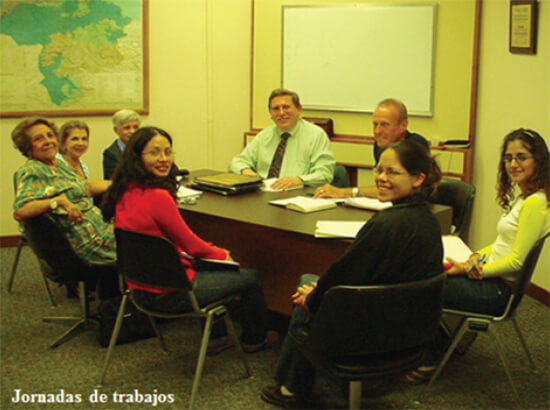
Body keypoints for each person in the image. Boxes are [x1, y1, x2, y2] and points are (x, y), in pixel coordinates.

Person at [260, 139, 444, 407]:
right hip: (412, 332)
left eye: (392, 172)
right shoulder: (427, 219)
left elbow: (342, 277)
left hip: (372, 333)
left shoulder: (385, 224)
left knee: (307, 283)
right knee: (319, 287)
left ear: (418, 179)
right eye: (379, 170)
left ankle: (291, 389)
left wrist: (313, 298)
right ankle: (358, 380)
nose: (381, 178)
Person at [102, 126, 268, 353]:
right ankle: (254, 341)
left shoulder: (124, 190)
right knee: (250, 277)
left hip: (137, 289)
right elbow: (191, 244)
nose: (163, 159)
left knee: (209, 261)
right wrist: (221, 255)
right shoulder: (158, 197)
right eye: (154, 153)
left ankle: (217, 338)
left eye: (168, 152)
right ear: (137, 157)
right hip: (170, 295)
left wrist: (211, 252)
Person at [445, 129, 550, 315]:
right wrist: (476, 256)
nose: (513, 164)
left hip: (498, 292)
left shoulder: (535, 203)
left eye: (521, 157)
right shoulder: (525, 198)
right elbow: (501, 245)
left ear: (538, 161)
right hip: (492, 280)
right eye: (508, 158)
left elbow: (516, 262)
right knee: (429, 280)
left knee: (424, 287)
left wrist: (469, 269)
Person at [12, 117, 115, 265]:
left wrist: (119, 183)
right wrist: (58, 201)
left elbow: (85, 186)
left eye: (50, 135)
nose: (48, 141)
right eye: (38, 139)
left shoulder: (58, 164)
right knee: (145, 246)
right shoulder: (32, 169)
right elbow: (21, 211)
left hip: (102, 231)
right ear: (28, 147)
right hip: (89, 244)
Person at [314, 98, 429, 199]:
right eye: (375, 124)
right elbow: (382, 187)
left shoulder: (415, 145)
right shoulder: (380, 145)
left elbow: (398, 189)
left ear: (403, 125)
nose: (377, 131)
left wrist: (345, 192)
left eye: (385, 125)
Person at [228, 88, 335, 190]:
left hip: (297, 196)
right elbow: (237, 162)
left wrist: (299, 180)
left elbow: (324, 174)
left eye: (286, 107)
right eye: (276, 109)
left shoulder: (316, 135)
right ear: (270, 113)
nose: (281, 113)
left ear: (299, 109)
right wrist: (247, 172)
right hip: (263, 193)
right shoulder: (264, 136)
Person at [103, 109, 141, 179]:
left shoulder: (143, 148)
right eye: (127, 128)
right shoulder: (110, 154)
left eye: (135, 127)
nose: (132, 131)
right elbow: (116, 180)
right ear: (116, 130)